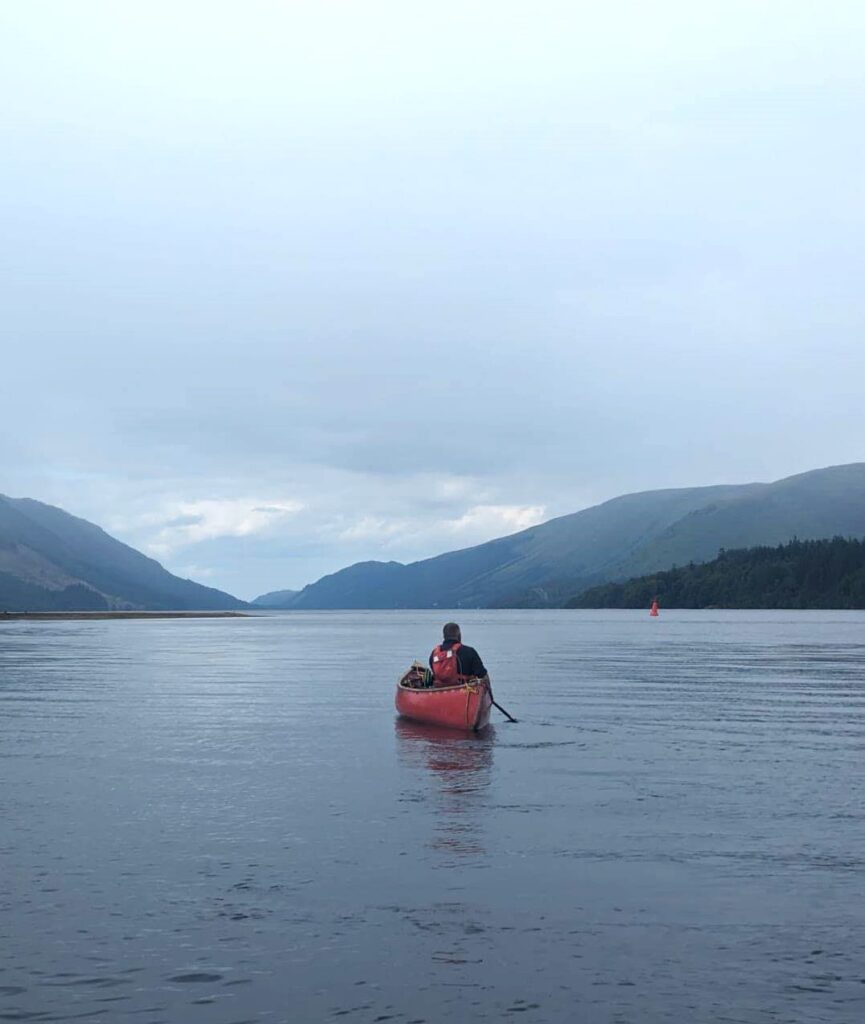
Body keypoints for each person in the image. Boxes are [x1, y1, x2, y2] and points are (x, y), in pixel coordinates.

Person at [429, 622, 489, 687]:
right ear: (459, 635)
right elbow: (482, 674)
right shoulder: (470, 652)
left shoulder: (434, 653)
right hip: (465, 693)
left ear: (444, 636)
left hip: (439, 691)